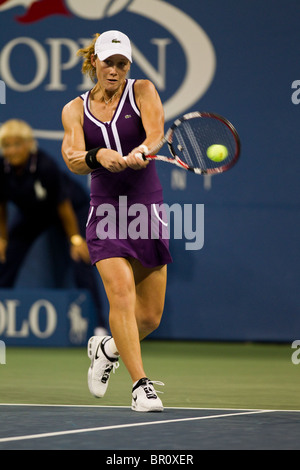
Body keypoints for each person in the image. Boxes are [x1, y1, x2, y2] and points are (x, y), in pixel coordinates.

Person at [61, 30, 172, 412]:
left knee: (149, 317)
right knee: (121, 295)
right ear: (95, 62)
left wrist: (142, 149)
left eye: (122, 63)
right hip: (106, 211)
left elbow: (157, 134)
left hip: (146, 209)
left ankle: (108, 348)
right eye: (108, 62)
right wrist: (98, 156)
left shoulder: (142, 90)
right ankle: (140, 386)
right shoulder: (75, 109)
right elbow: (72, 157)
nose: (115, 70)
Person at [0, 119, 107, 334]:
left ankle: (99, 326)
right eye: (7, 145)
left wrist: (76, 240)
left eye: (17, 144)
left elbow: (63, 205)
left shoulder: (45, 165)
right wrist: (2, 239)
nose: (12, 150)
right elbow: (0, 206)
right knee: (6, 258)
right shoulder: (2, 168)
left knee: (81, 259)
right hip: (34, 214)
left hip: (70, 209)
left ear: (28, 144)